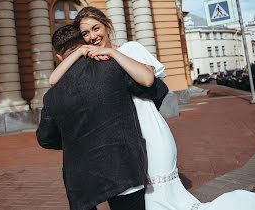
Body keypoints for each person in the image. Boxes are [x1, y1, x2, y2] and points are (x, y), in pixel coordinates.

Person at [49, 6, 255, 210]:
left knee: (158, 201)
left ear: (107, 26)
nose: (93, 36)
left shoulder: (131, 48)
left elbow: (148, 80)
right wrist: (81, 52)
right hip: (125, 141)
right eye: (86, 34)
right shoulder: (93, 62)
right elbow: (54, 80)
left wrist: (115, 53)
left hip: (149, 131)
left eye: (96, 28)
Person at [36, 24, 169, 210]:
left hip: (80, 180)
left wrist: (73, 138)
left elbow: (45, 139)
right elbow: (156, 90)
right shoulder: (112, 67)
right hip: (122, 167)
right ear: (85, 42)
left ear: (58, 57)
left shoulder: (51, 96)